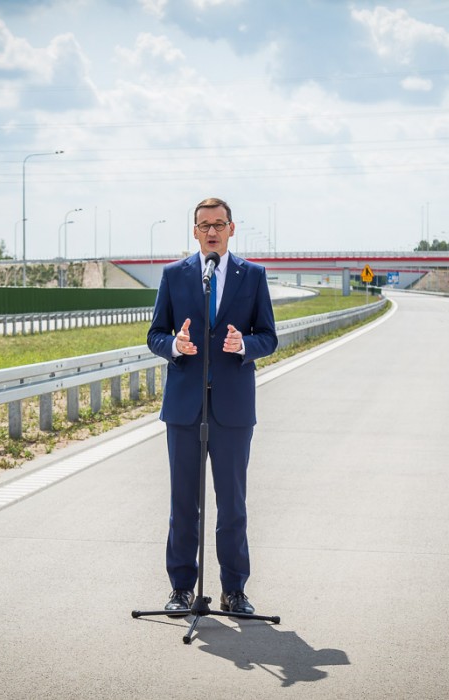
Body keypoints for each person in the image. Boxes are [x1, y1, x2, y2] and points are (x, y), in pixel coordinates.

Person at [147, 197, 278, 616]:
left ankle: (234, 590)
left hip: (233, 409)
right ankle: (182, 588)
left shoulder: (253, 276)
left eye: (218, 224)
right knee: (184, 503)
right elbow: (155, 334)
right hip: (185, 407)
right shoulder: (175, 275)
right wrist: (174, 345)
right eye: (204, 225)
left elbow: (269, 337)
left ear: (231, 229)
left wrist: (246, 345)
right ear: (195, 231)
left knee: (233, 503)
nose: (211, 232)